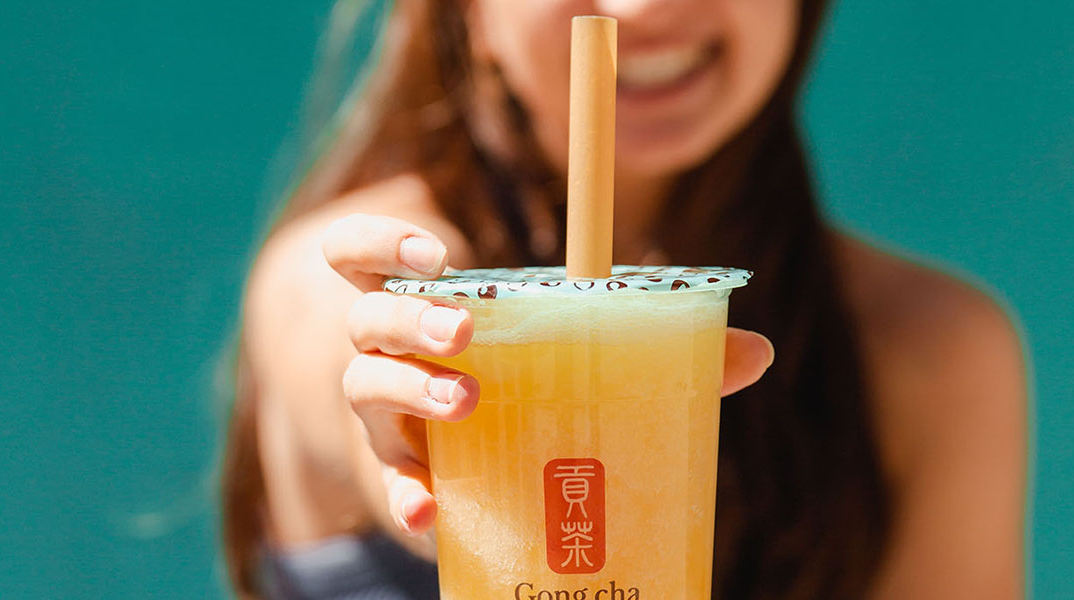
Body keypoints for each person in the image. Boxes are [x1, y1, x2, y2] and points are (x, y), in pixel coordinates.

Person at [223, 0, 1027, 598]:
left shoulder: (932, 349)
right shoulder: (338, 274)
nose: (642, 7)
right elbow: (351, 357)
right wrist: (433, 431)